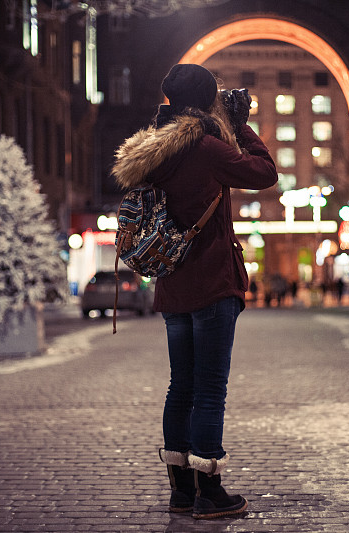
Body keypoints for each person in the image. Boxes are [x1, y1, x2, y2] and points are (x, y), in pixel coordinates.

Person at [111, 64, 278, 519]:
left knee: (180, 387)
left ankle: (182, 490)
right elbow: (264, 173)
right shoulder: (205, 147)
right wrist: (240, 126)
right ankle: (210, 490)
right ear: (206, 103)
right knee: (209, 390)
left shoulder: (152, 150)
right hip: (211, 282)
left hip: (171, 286)